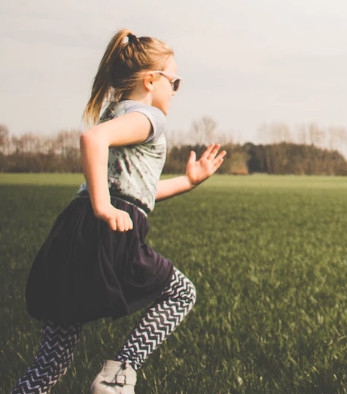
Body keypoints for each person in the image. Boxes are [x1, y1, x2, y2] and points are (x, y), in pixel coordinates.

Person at [13, 28, 226, 393]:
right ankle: (117, 377)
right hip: (110, 231)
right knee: (181, 294)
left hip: (74, 230)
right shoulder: (151, 117)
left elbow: (136, 191)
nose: (176, 91)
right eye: (174, 82)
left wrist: (188, 182)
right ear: (150, 80)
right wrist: (103, 207)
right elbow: (92, 142)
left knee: (53, 359)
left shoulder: (116, 113)